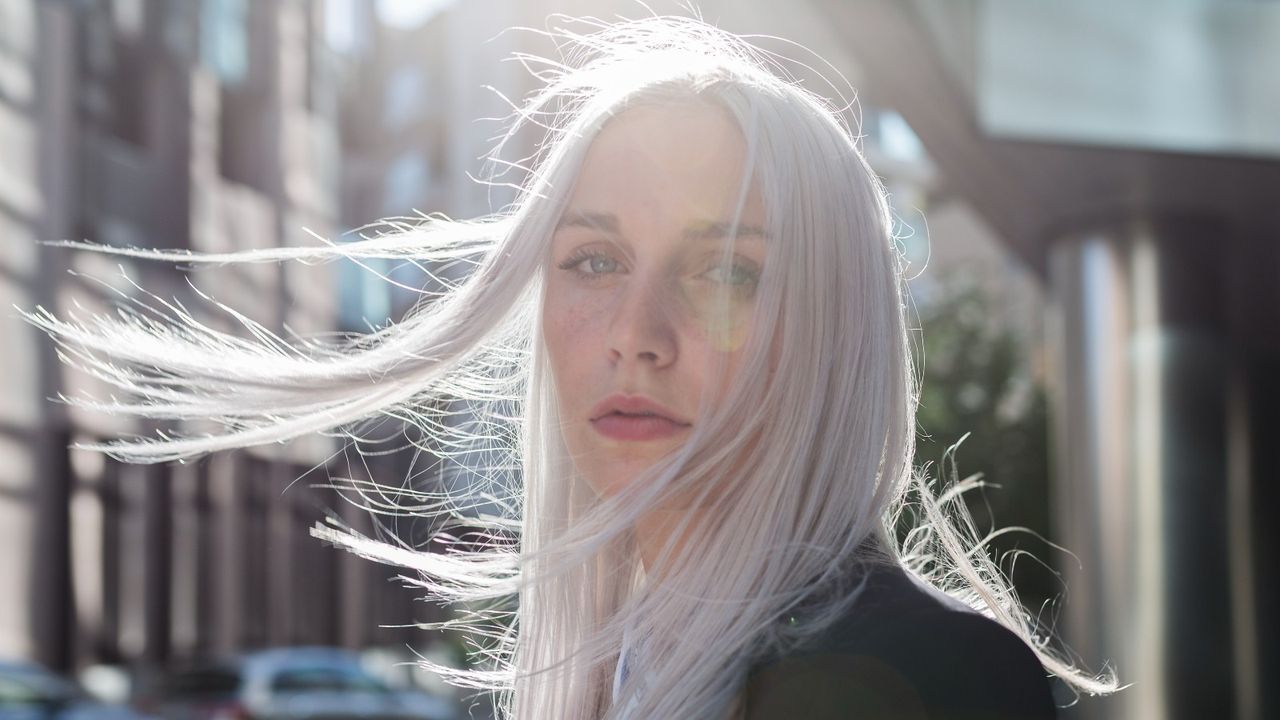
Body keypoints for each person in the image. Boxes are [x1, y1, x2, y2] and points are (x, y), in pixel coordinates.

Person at [21, 13, 1118, 720]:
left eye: (727, 273)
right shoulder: (608, 671)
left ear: (830, 328)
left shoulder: (927, 675)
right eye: (593, 259)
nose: (635, 330)